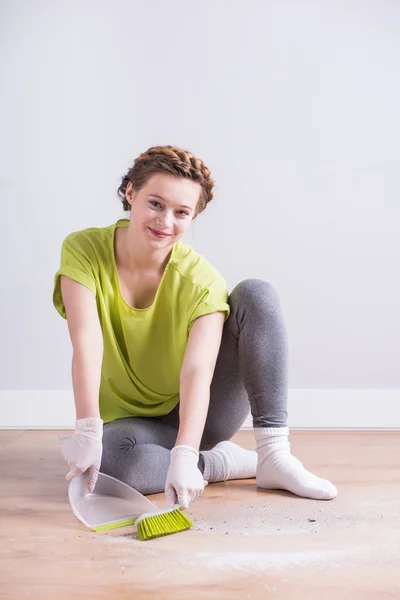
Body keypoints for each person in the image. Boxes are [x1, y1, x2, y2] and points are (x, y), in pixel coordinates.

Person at [53, 145, 337, 510]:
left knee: (256, 294)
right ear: (130, 192)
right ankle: (221, 463)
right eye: (155, 203)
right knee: (113, 464)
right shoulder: (83, 250)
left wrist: (186, 454)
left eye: (181, 212)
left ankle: (273, 455)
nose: (165, 222)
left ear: (193, 217)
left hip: (202, 411)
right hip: (133, 423)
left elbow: (197, 373)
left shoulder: (201, 281)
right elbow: (87, 342)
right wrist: (88, 428)